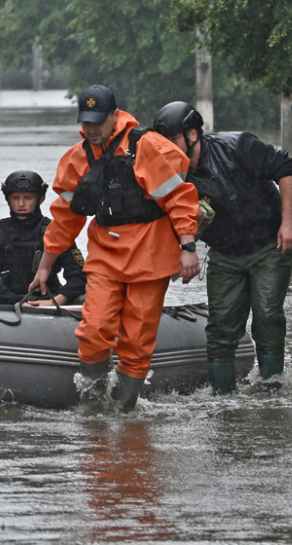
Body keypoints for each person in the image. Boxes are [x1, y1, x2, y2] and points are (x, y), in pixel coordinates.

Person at [28, 85, 200, 412]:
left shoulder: (145, 146)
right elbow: (64, 218)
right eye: (86, 122)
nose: (91, 129)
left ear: (114, 116)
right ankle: (93, 410)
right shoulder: (78, 158)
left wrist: (188, 246)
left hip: (150, 256)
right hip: (106, 254)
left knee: (136, 344)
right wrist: (46, 264)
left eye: (98, 121)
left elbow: (180, 199)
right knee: (93, 330)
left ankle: (123, 414)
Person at [152, 101, 292, 394]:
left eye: (171, 141)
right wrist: (182, 253)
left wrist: (289, 222)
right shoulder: (169, 175)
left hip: (268, 244)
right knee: (220, 328)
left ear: (192, 135)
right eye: (161, 143)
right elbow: (166, 221)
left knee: (267, 315)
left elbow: (287, 169)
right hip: (224, 253)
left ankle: (273, 391)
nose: (165, 149)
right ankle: (222, 398)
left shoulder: (236, 146)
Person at [0, 170, 86, 306]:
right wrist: (17, 302)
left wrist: (57, 301)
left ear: (41, 198)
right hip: (8, 303)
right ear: (8, 199)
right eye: (16, 197)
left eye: (28, 198)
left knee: (84, 299)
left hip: (50, 302)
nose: (21, 204)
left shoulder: (57, 233)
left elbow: (78, 276)